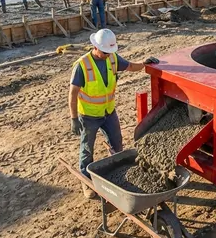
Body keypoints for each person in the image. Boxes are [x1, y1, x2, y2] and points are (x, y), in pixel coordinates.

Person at [68, 29, 159, 198]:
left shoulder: (112, 58)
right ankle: (86, 179)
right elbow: (73, 93)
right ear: (95, 46)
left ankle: (117, 173)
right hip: (89, 116)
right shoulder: (82, 65)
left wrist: (144, 63)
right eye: (104, 52)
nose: (107, 55)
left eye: (110, 52)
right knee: (87, 148)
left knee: (117, 143)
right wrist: (74, 118)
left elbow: (130, 66)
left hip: (109, 112)